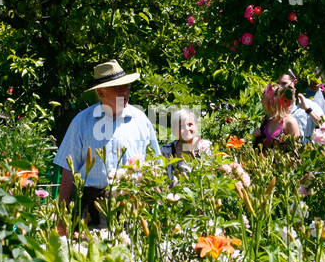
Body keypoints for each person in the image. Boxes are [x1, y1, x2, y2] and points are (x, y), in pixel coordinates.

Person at [55, 60, 161, 231]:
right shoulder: (82, 122)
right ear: (100, 93)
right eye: (117, 89)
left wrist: (157, 210)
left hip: (131, 206)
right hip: (90, 208)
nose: (124, 92)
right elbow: (67, 170)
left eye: (126, 87)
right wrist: (61, 216)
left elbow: (156, 165)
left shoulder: (141, 120)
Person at [159, 107, 212, 183]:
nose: (187, 129)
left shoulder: (206, 147)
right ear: (174, 130)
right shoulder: (166, 151)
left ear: (196, 126)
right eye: (181, 126)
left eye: (190, 124)